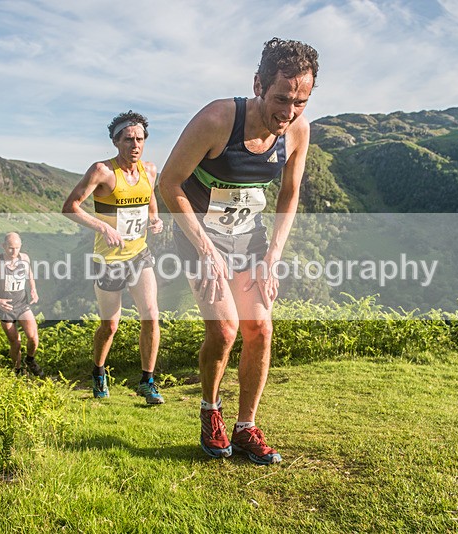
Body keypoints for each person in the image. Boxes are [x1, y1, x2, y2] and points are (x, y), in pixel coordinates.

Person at [159, 38, 319, 464]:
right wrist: (205, 250)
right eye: (282, 98)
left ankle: (246, 427)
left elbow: (290, 194)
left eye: (301, 101)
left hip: (249, 239)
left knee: (260, 330)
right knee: (225, 330)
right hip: (198, 236)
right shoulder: (216, 119)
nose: (289, 111)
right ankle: (210, 411)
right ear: (258, 84)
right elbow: (169, 183)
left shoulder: (298, 131)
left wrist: (273, 260)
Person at [62, 111, 165, 405]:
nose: (135, 145)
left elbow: (150, 200)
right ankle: (98, 371)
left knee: (151, 314)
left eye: (140, 139)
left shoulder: (149, 170)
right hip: (109, 261)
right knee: (110, 325)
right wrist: (103, 226)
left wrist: (155, 220)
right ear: (115, 141)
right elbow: (70, 207)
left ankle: (147, 381)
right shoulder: (102, 171)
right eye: (128, 139)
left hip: (139, 255)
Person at [0, 232, 44, 377]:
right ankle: (18, 370)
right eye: (10, 248)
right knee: (16, 342)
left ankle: (30, 359)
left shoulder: (24, 258)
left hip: (22, 304)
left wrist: (33, 289)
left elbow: (29, 275)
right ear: (3, 246)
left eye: (17, 248)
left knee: (33, 336)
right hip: (5, 308)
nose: (14, 252)